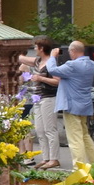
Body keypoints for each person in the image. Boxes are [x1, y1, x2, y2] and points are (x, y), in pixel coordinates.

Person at [34, 40, 94, 168]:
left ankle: (79, 169)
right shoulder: (91, 64)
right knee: (85, 136)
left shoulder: (72, 65)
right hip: (84, 105)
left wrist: (53, 56)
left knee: (75, 139)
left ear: (74, 51)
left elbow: (53, 70)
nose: (69, 54)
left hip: (71, 105)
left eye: (70, 51)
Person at [29, 38, 64, 169]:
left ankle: (54, 159)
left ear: (41, 48)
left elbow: (57, 81)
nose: (34, 49)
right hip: (37, 99)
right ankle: (46, 158)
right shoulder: (38, 61)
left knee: (50, 129)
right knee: (39, 129)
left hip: (48, 98)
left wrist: (40, 78)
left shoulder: (51, 63)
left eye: (35, 47)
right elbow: (23, 59)